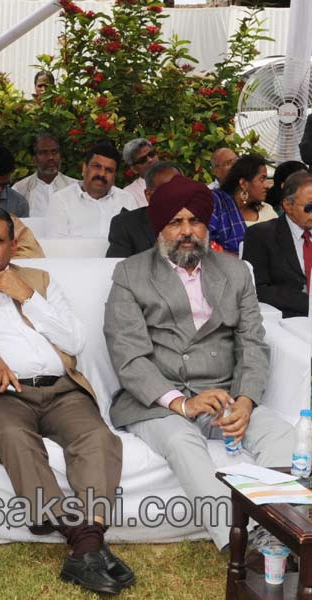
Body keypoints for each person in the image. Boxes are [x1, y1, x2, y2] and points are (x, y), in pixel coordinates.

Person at [0, 205, 130, 595]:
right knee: (13, 437)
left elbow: (75, 341)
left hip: (61, 391)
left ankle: (83, 546)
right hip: (4, 395)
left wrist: (28, 298)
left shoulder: (40, 281)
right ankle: (87, 541)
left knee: (99, 440)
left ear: (12, 245)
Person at [104, 175, 293, 551]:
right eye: (176, 222)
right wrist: (181, 403)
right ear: (161, 227)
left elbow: (252, 343)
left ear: (207, 225)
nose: (187, 231)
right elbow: (127, 353)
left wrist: (245, 400)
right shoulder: (130, 273)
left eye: (196, 221)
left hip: (223, 394)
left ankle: (278, 532)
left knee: (280, 436)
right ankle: (241, 542)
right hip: (159, 402)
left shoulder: (235, 271)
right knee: (182, 441)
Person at [243, 170, 312, 318]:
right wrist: (309, 303)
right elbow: (258, 288)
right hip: (290, 318)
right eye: (309, 208)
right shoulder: (261, 236)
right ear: (288, 205)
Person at [47, 142, 135, 239]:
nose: (102, 174)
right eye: (97, 166)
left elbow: (135, 240)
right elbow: (56, 246)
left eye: (109, 170)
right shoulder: (61, 200)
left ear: (115, 176)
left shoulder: (126, 199)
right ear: (84, 168)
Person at [106, 161, 182, 258]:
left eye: (179, 188)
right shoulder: (125, 225)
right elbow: (118, 268)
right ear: (148, 195)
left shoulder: (197, 220)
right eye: (165, 191)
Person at [211, 154, 275, 255]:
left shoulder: (267, 210)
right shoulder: (217, 204)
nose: (267, 185)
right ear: (243, 183)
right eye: (262, 179)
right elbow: (206, 244)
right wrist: (238, 262)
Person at [11, 131, 78, 218]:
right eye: (44, 153)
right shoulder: (20, 190)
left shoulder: (75, 187)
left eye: (54, 152)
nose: (51, 157)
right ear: (33, 159)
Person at [121, 138, 158, 208]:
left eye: (151, 154)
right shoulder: (129, 194)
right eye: (143, 160)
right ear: (134, 169)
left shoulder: (175, 178)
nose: (150, 160)